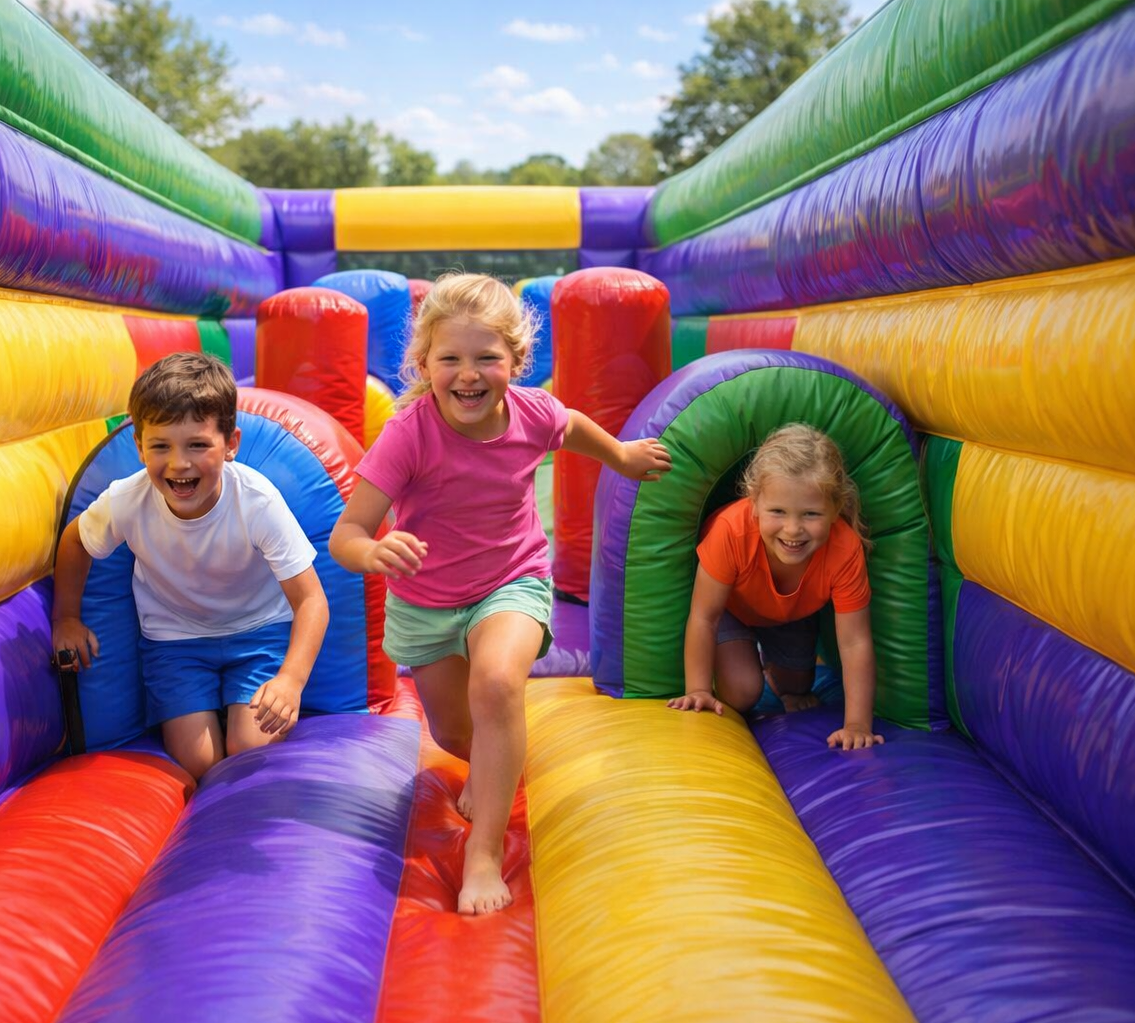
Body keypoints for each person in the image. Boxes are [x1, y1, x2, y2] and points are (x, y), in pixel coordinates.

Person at [329, 273, 671, 915]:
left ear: (516, 361)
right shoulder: (410, 433)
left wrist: (622, 456)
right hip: (427, 599)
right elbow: (346, 533)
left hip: (512, 578)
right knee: (459, 735)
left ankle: (482, 852)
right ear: (423, 363)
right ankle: (494, 763)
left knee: (496, 682)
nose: (469, 374)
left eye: (488, 357)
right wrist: (374, 552)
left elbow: (569, 423)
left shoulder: (532, 412)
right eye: (450, 358)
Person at [51, 352, 329, 781]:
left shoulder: (256, 501)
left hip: (257, 632)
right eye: (161, 446)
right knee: (201, 763)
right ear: (140, 446)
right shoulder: (129, 500)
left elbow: (311, 599)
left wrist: (290, 680)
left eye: (197, 445)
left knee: (247, 750)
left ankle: (241, 709)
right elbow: (75, 541)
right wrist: (66, 617)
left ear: (231, 444)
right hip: (175, 642)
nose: (179, 464)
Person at [666, 423, 883, 750]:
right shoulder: (731, 532)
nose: (793, 529)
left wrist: (857, 723)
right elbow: (704, 617)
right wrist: (698, 690)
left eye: (811, 514)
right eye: (778, 512)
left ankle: (775, 668)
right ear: (753, 502)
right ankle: (742, 660)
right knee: (741, 692)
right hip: (732, 609)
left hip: (791, 615)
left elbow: (854, 642)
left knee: (798, 689)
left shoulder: (844, 548)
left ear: (836, 509)